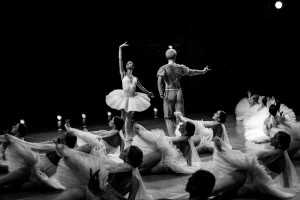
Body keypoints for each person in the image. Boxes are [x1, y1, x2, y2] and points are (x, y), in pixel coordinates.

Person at [210, 131, 299, 199]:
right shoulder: (270, 153)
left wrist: (222, 151)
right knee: (216, 191)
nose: (271, 138)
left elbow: (267, 176)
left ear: (279, 143)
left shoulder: (280, 160)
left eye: (274, 138)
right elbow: (246, 160)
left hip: (253, 183)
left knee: (221, 194)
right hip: (247, 178)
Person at [53, 144, 153, 200]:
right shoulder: (133, 177)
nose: (122, 151)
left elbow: (106, 186)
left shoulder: (120, 169)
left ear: (128, 159)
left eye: (125, 151)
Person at [106, 42, 154, 141]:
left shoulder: (136, 78)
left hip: (132, 98)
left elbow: (141, 87)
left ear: (133, 67)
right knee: (122, 117)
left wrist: (148, 92)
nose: (128, 64)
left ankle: (127, 135)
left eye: (130, 63)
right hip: (123, 97)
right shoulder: (123, 74)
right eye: (127, 63)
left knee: (128, 117)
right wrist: (120, 48)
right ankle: (120, 134)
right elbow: (120, 60)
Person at [0, 131, 77, 193]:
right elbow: (34, 146)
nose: (60, 138)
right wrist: (14, 140)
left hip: (40, 179)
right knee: (4, 183)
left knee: (9, 188)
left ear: (66, 142)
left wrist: (14, 140)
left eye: (63, 137)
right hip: (31, 170)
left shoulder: (67, 154)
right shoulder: (55, 146)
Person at [157, 47, 211, 136]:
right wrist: (202, 71)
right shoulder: (180, 67)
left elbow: (159, 81)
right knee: (180, 116)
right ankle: (180, 136)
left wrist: (161, 93)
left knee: (169, 117)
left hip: (169, 92)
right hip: (178, 92)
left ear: (166, 57)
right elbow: (191, 72)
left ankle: (173, 137)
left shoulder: (163, 68)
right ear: (175, 57)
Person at [132, 123, 201, 175]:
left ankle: (127, 170)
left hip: (164, 163)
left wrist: (142, 132)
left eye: (182, 126)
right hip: (164, 163)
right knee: (143, 170)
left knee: (141, 168)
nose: (179, 125)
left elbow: (160, 139)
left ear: (185, 132)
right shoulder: (182, 139)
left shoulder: (184, 141)